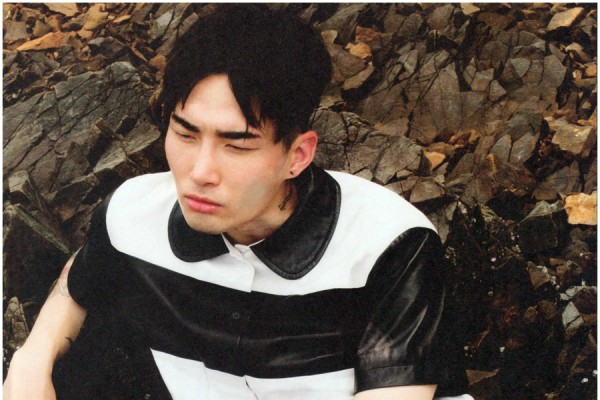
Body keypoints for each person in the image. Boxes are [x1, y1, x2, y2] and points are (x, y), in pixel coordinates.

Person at [4, 5, 472, 400]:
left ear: (298, 155)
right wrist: (31, 360)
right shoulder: (133, 214)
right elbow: (82, 277)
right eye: (185, 134)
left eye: (236, 145)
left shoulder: (388, 245)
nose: (200, 172)